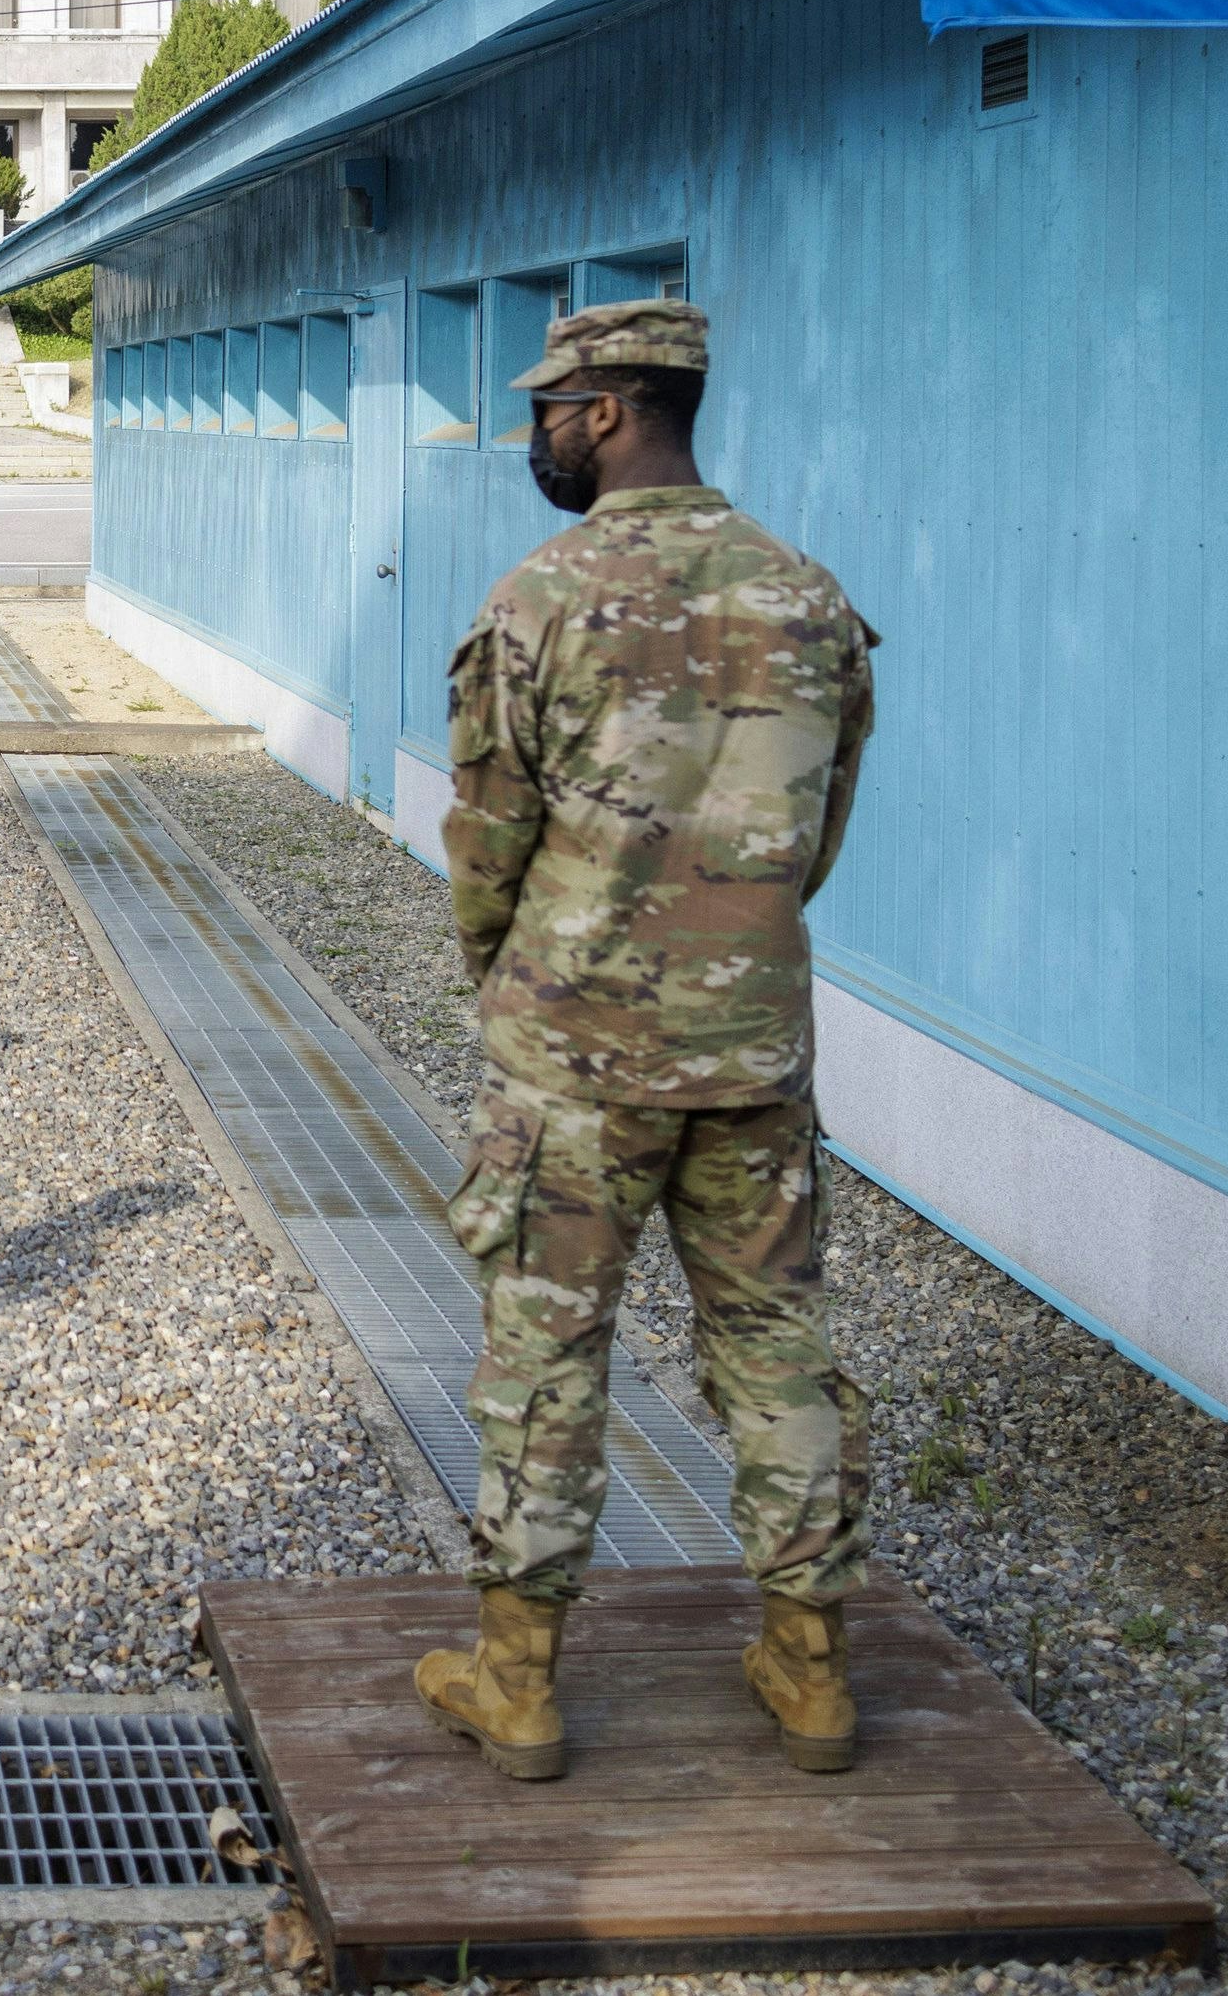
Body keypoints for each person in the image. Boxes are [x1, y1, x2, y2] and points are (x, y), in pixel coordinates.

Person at [412, 299, 878, 1783]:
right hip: (752, 1048)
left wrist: (507, 976)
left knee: (548, 1354)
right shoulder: (809, 599)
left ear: (609, 410)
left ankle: (522, 1681)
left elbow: (487, 838)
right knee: (776, 1348)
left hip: (578, 1061)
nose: (537, 432)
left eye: (551, 407)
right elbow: (818, 831)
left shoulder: (543, 599)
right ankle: (810, 1671)